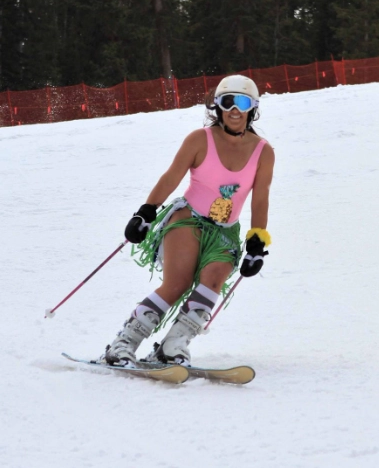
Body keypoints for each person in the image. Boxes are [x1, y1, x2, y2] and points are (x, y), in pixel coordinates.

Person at [103, 75, 275, 366]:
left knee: (214, 279)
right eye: (227, 102)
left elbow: (260, 199)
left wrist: (257, 243)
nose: (235, 109)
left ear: (253, 108)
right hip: (188, 220)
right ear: (217, 107)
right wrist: (146, 211)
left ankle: (172, 346)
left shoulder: (263, 152)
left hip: (225, 232)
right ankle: (123, 343)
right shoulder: (200, 139)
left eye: (242, 102)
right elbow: (171, 176)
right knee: (177, 283)